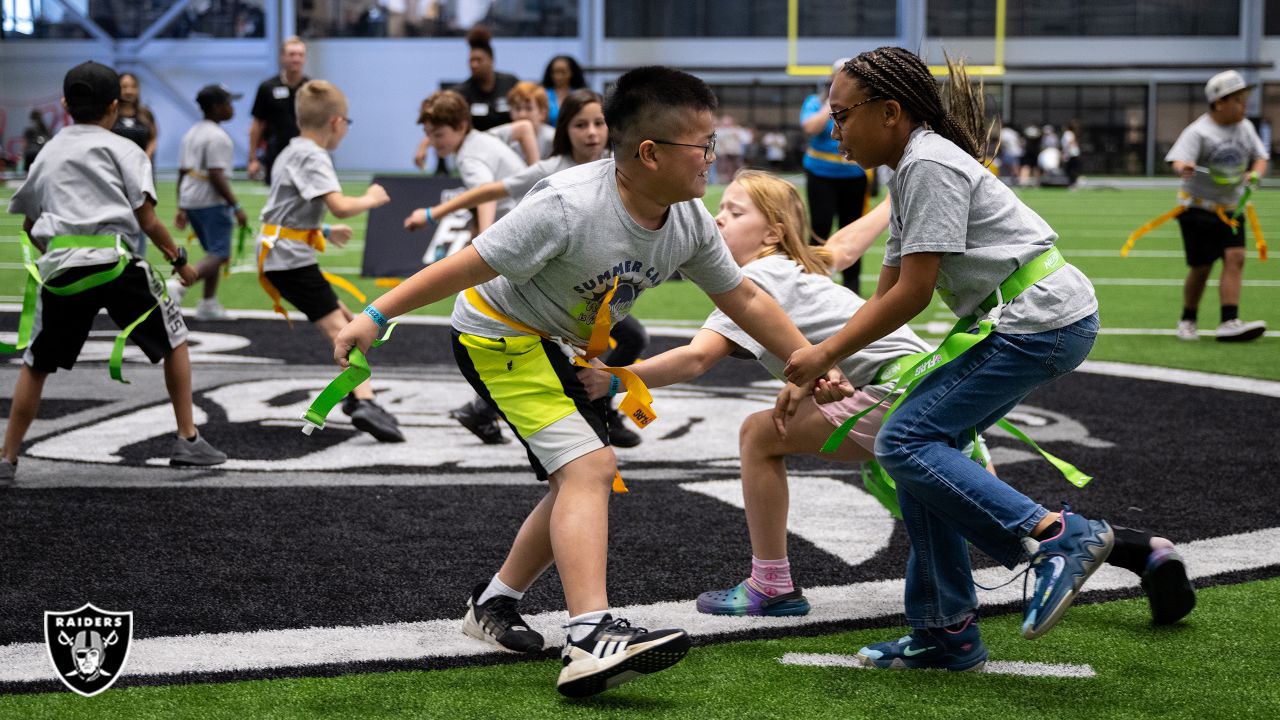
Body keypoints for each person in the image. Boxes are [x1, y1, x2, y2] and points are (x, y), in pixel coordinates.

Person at [333, 66, 831, 697]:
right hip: (497, 337)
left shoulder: (687, 219)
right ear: (649, 154)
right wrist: (375, 315)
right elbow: (467, 263)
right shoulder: (568, 206)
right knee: (590, 470)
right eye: (701, 146)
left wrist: (812, 358)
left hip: (559, 346)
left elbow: (746, 298)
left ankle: (493, 604)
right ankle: (591, 634)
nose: (714, 157)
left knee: (581, 475)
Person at [588, 170, 1194, 626]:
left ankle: (771, 584)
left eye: (733, 211)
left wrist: (615, 378)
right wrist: (894, 201)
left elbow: (696, 358)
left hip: (889, 396)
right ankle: (1143, 552)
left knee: (755, 435)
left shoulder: (758, 278)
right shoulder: (802, 266)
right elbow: (845, 248)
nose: (718, 220)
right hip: (920, 382)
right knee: (972, 512)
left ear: (772, 232)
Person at [780, 48, 1113, 671]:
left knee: (904, 442)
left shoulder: (927, 164)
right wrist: (833, 365)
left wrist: (821, 350)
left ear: (889, 111)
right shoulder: (909, 165)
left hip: (1038, 321)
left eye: (842, 114)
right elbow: (885, 289)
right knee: (919, 453)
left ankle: (1055, 535)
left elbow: (912, 294)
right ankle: (945, 632)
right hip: (1028, 320)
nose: (834, 129)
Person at [2, 61, 227, 486]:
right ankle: (188, 437)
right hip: (115, 264)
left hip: (62, 270)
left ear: (66, 104)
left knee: (36, 364)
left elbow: (30, 226)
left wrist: (59, 254)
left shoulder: (47, 152)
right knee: (175, 339)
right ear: (113, 105)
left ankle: (7, 455)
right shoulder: (126, 150)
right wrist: (179, 259)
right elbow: (148, 220)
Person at [407, 90, 642, 448]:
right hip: (551, 285)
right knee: (552, 354)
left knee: (631, 338)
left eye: (599, 123)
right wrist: (432, 214)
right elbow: (489, 191)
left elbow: (520, 129)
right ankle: (585, 418)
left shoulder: (620, 166)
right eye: (581, 124)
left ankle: (489, 411)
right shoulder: (552, 169)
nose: (592, 132)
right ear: (566, 129)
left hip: (594, 286)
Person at [255, 79, 403, 444]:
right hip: (289, 262)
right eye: (347, 124)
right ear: (336, 122)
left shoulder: (290, 150)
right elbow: (340, 203)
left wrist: (322, 231)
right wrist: (370, 197)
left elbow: (286, 210)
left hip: (288, 257)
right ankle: (364, 402)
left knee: (349, 321)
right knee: (344, 331)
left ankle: (356, 396)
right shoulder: (313, 155)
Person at [1166, 70, 1269, 343]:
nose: (1244, 106)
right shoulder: (1199, 131)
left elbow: (1260, 157)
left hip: (1232, 208)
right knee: (1202, 267)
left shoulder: (1245, 127)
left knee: (1236, 258)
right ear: (1219, 102)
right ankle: (1188, 318)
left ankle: (1229, 320)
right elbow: (1178, 161)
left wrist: (1255, 173)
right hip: (1198, 209)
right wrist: (1183, 167)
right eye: (1238, 100)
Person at [170, 84, 248, 322]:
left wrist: (181, 206)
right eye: (228, 103)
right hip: (210, 202)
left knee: (212, 252)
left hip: (191, 199)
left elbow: (183, 171)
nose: (232, 108)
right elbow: (216, 175)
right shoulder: (218, 137)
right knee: (219, 253)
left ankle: (208, 303)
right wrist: (236, 206)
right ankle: (178, 286)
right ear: (216, 107)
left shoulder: (192, 132)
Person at [801, 58, 870, 294]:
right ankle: (811, 282)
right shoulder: (815, 102)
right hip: (821, 174)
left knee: (854, 229)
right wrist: (833, 104)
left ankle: (852, 288)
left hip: (854, 174)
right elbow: (810, 127)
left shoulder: (863, 102)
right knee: (820, 227)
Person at [416, 90, 527, 233]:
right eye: (427, 134)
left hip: (520, 224)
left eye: (438, 135)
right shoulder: (480, 139)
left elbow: (486, 195)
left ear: (461, 127)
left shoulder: (468, 158)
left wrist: (483, 242)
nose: (432, 142)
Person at [249, 36, 310, 184]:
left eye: (300, 55)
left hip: (305, 153)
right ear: (282, 57)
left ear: (305, 58)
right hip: (276, 152)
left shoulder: (312, 87)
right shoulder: (267, 87)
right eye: (292, 54)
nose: (296, 59)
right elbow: (257, 125)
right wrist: (252, 159)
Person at [450, 26, 518, 132]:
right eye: (471, 61)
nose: (474, 65)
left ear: (491, 60)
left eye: (479, 60)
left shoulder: (510, 82)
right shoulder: (461, 93)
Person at [486, 81, 556, 162]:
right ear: (510, 112)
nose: (522, 114)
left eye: (529, 108)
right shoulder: (507, 139)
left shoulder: (553, 139)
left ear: (543, 113)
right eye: (517, 108)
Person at [112, 72, 158, 164]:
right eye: (124, 87)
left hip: (142, 167)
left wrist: (146, 158)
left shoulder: (146, 114)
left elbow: (153, 138)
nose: (129, 91)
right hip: (117, 167)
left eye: (133, 87)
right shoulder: (111, 114)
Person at [541, 54, 586, 126]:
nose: (559, 76)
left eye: (563, 72)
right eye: (555, 72)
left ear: (572, 73)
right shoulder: (543, 94)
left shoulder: (581, 96)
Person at [1061, 119, 1082, 186]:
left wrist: (1066, 153)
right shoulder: (1071, 133)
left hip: (1071, 154)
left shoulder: (1068, 133)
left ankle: (1073, 183)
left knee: (1070, 170)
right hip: (1073, 154)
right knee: (1071, 170)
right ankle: (1072, 183)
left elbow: (1070, 143)